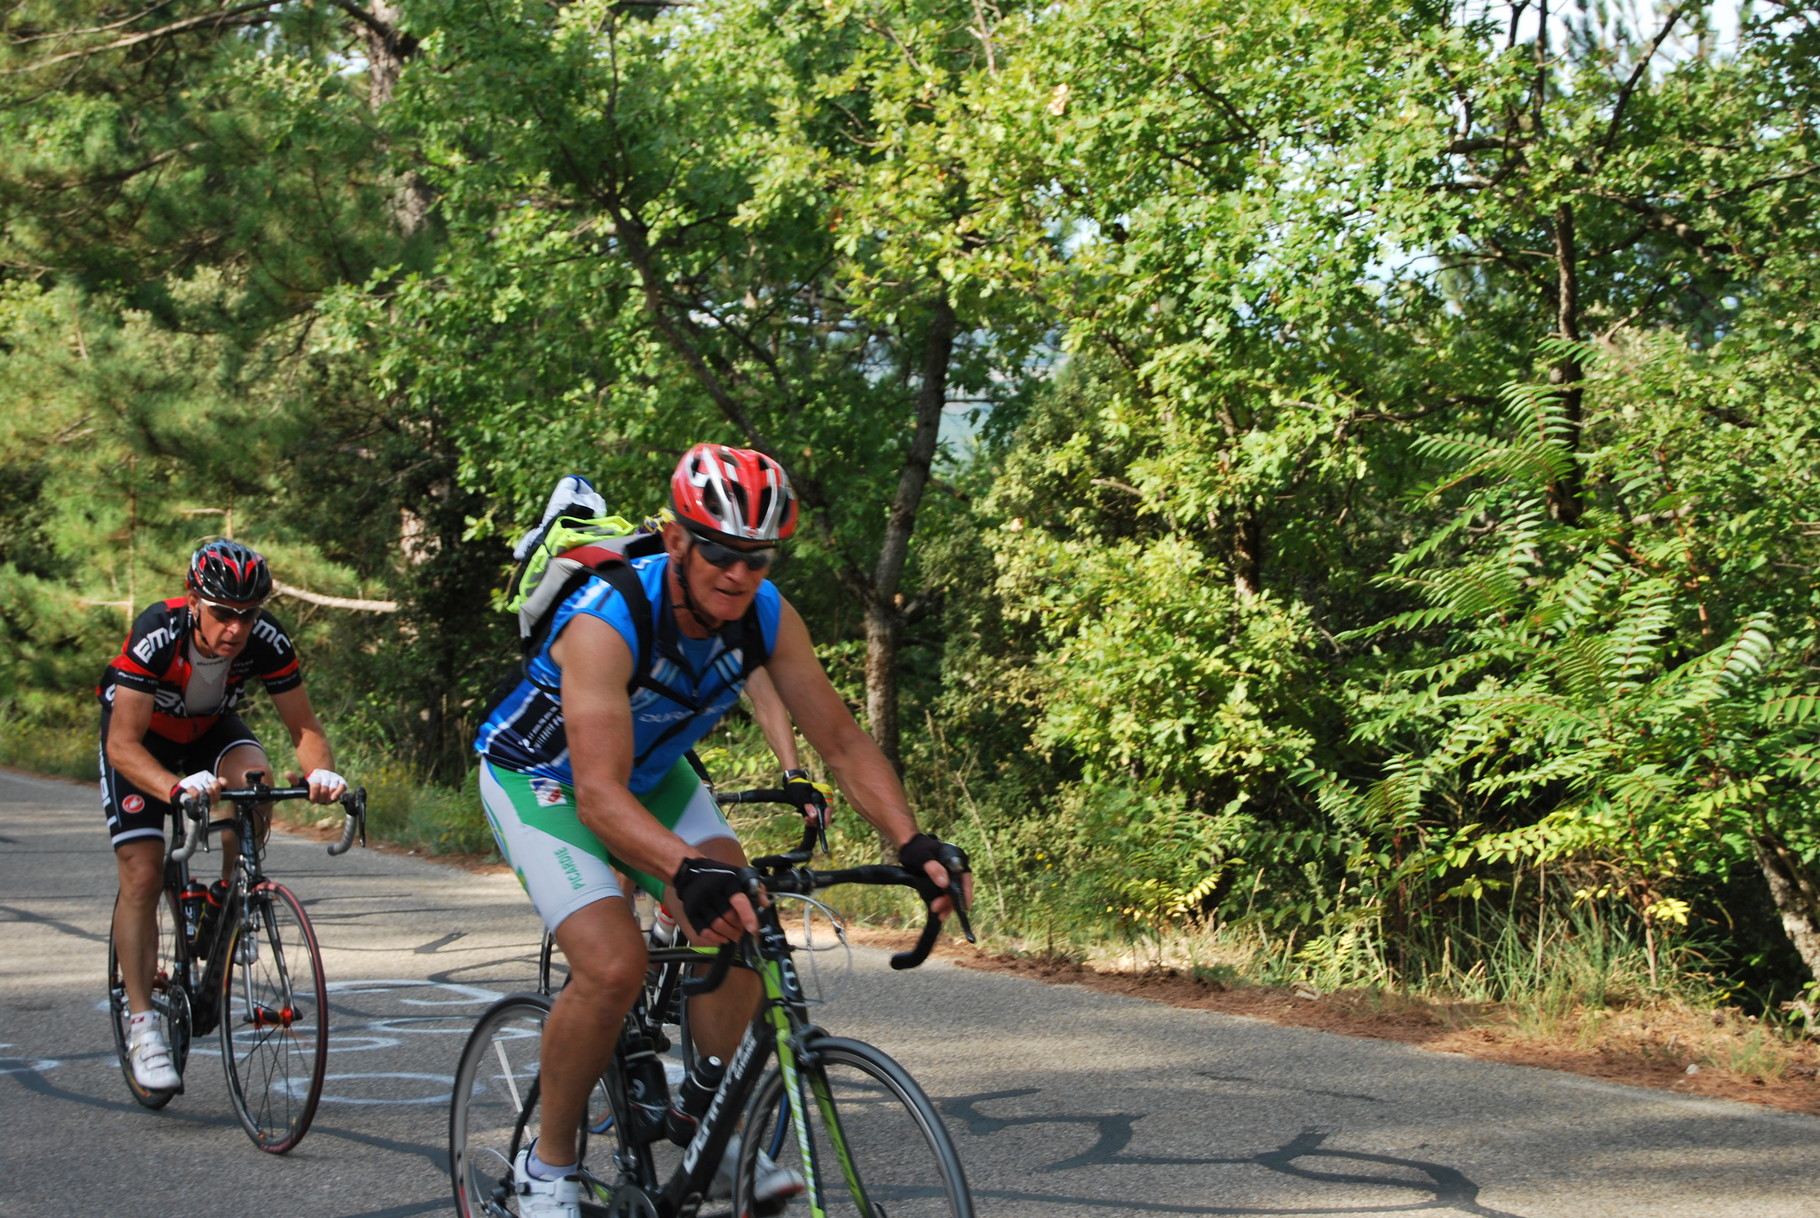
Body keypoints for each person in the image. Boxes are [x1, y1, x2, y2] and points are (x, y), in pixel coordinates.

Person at [475, 444, 970, 1218]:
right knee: (613, 965)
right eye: (718, 551)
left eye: (757, 557)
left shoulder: (766, 617)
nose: (738, 574)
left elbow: (842, 744)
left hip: (646, 772)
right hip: (541, 776)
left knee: (748, 919)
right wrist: (684, 870)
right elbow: (599, 799)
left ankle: (708, 1113)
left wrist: (913, 843)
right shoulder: (610, 617)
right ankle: (548, 1168)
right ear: (677, 540)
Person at [98, 539, 349, 1092]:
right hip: (144, 747)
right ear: (194, 600)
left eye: (248, 615)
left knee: (254, 785)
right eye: (223, 614)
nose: (235, 629)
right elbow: (122, 744)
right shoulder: (156, 633)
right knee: (141, 872)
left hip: (209, 731)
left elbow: (304, 729)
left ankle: (234, 896)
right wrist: (172, 786)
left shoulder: (267, 639)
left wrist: (321, 775)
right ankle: (143, 1026)